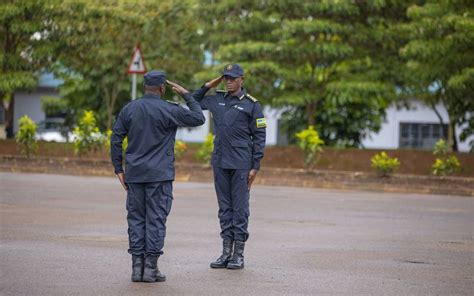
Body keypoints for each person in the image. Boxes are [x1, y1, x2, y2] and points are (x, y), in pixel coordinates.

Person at [111, 70, 205, 282]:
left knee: (136, 219)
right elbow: (199, 118)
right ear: (162, 88)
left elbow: (116, 138)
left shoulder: (130, 108)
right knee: (156, 219)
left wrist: (118, 168)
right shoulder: (169, 109)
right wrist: (186, 95)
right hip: (159, 176)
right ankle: (151, 269)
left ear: (145, 87)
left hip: (134, 175)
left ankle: (137, 269)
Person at [170, 63, 266, 269]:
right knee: (224, 208)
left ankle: (238, 254)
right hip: (221, 161)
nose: (229, 81)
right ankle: (225, 253)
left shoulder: (252, 105)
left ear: (242, 79)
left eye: (232, 78)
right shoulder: (217, 99)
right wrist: (208, 85)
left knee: (239, 208)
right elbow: (193, 102)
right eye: (226, 78)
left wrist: (255, 166)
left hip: (241, 163)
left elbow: (259, 137)